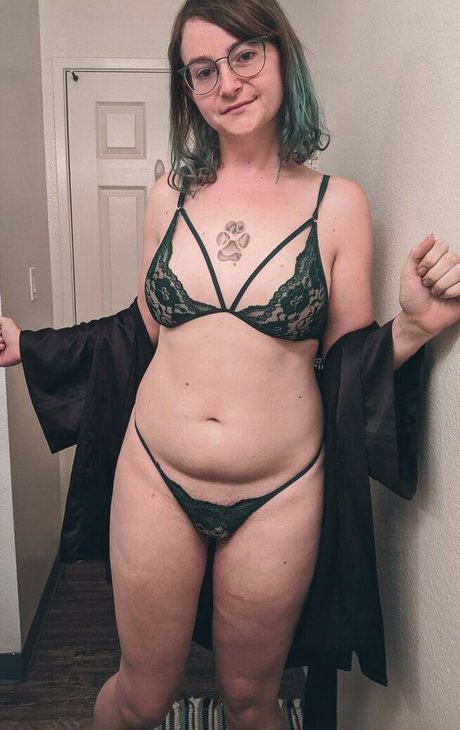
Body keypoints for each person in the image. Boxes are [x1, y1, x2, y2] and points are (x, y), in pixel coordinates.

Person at [1, 1, 460, 728]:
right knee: (141, 697)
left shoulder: (338, 205)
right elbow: (138, 329)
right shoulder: (167, 197)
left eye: (245, 54)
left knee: (250, 702)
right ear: (187, 89)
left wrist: (412, 327)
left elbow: (347, 364)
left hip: (281, 493)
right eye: (203, 70)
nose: (228, 82)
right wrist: (30, 346)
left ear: (282, 56)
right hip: (154, 474)